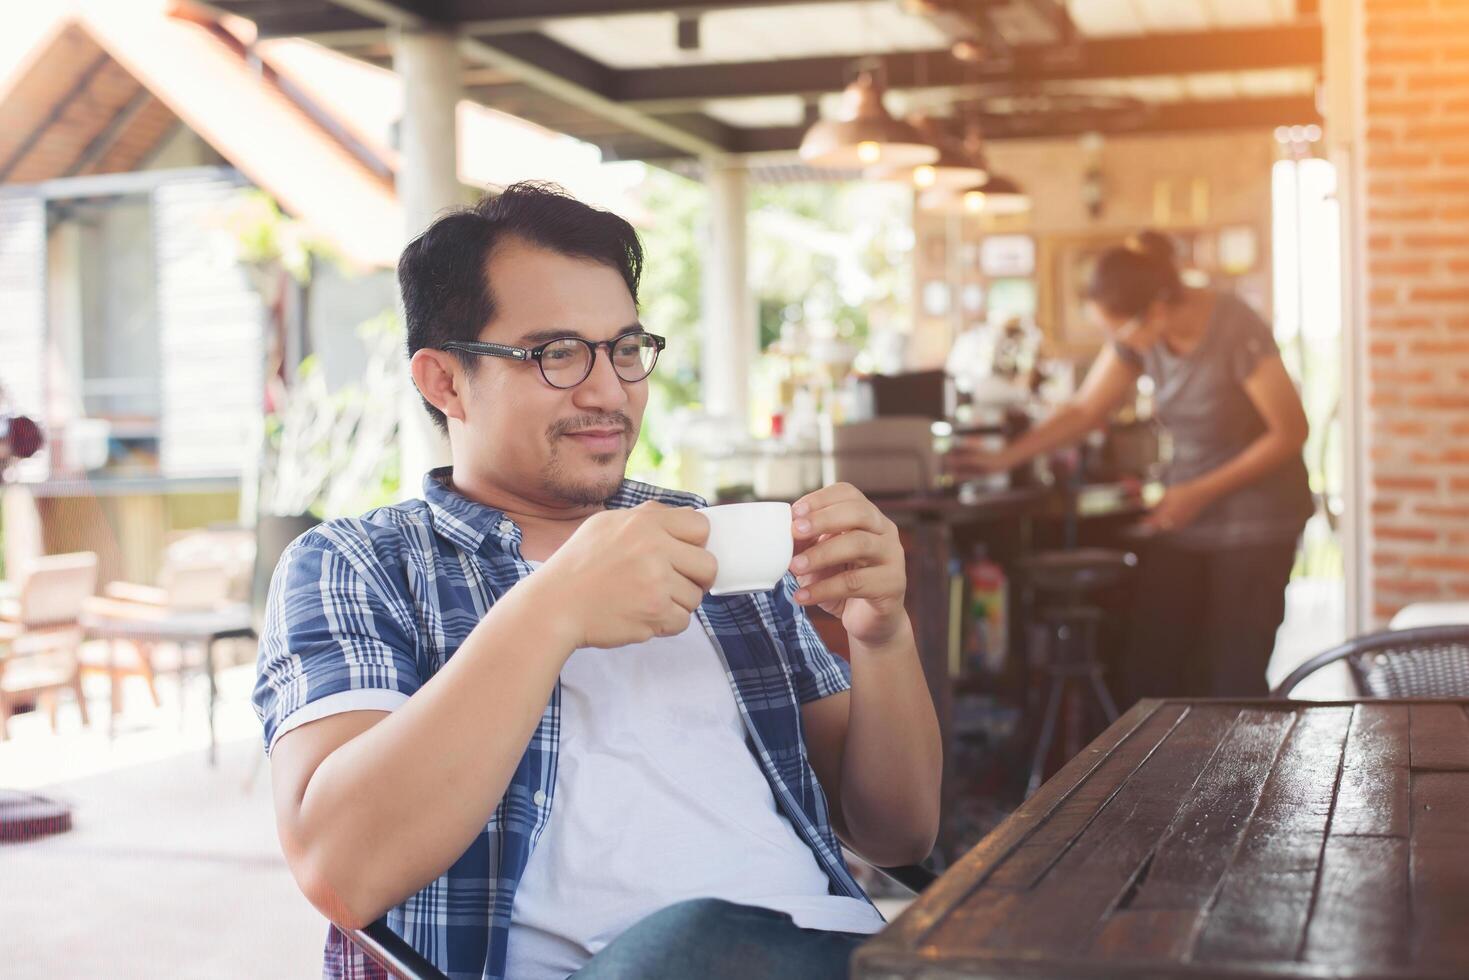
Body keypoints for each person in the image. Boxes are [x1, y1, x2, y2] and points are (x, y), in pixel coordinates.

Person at [253, 182, 942, 980]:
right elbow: (341, 871)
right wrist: (553, 607)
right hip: (657, 961)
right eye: (556, 353)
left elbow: (897, 837)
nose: (610, 391)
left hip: (816, 950)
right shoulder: (360, 565)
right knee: (692, 944)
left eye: (622, 349)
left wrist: (882, 634)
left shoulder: (708, 538)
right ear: (443, 382)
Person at [949, 231, 1313, 703]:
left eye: (1118, 330)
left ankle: (1238, 778)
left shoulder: (1234, 328)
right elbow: (1085, 411)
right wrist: (1002, 458)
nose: (1115, 343)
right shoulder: (1141, 337)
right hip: (1188, 516)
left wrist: (1197, 493)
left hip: (1258, 523)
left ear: (1157, 308)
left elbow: (1290, 431)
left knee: (1232, 677)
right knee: (1153, 665)